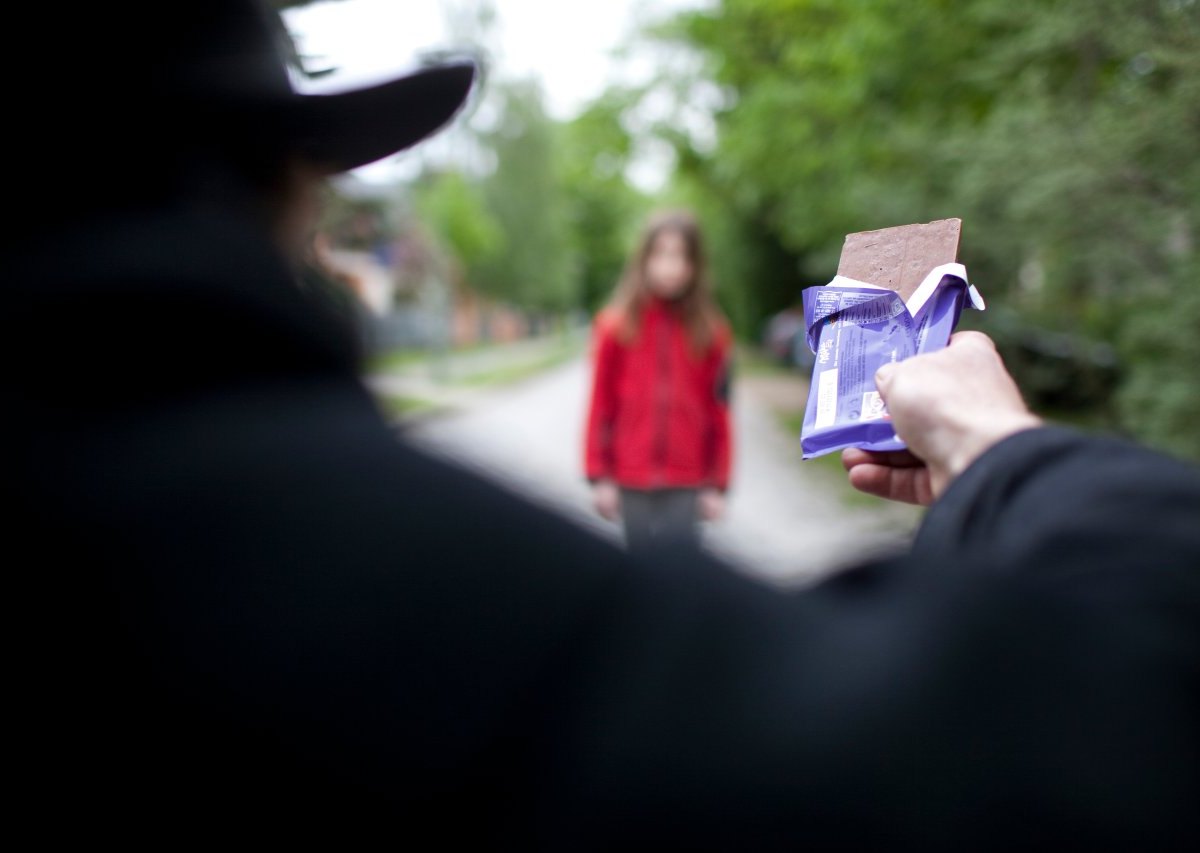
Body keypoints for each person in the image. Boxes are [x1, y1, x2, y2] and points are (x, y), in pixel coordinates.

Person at [9, 1, 1199, 849]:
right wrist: (1002, 452)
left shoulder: (703, 337)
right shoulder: (321, 553)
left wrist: (723, 479)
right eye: (317, 179)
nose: (324, 237)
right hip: (634, 478)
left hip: (691, 475)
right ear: (256, 176)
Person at [583, 208, 735, 553]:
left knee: (681, 570)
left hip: (688, 478)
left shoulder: (713, 334)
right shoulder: (614, 327)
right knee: (639, 570)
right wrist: (599, 475)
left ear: (695, 266)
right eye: (661, 254)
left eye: (680, 256)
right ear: (644, 260)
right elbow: (599, 404)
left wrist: (717, 484)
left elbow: (720, 411)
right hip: (629, 475)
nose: (670, 266)